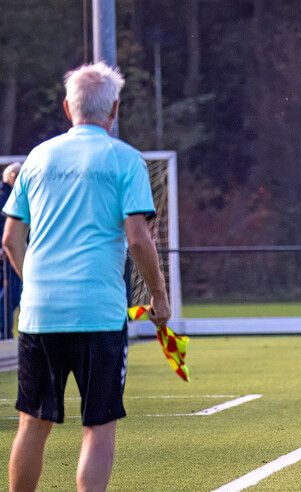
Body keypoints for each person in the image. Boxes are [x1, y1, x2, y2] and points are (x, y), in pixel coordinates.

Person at [3, 62, 171, 491]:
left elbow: (9, 240)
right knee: (98, 425)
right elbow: (138, 238)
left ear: (66, 107)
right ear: (114, 109)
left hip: (41, 314)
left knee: (32, 422)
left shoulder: (38, 158)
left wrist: (35, 284)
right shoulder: (125, 159)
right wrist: (158, 296)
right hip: (98, 312)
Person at [0, 162, 22, 337]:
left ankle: (5, 332)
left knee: (11, 296)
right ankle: (4, 332)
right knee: (10, 295)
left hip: (7, 253)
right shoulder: (6, 197)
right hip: (7, 255)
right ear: (13, 176)